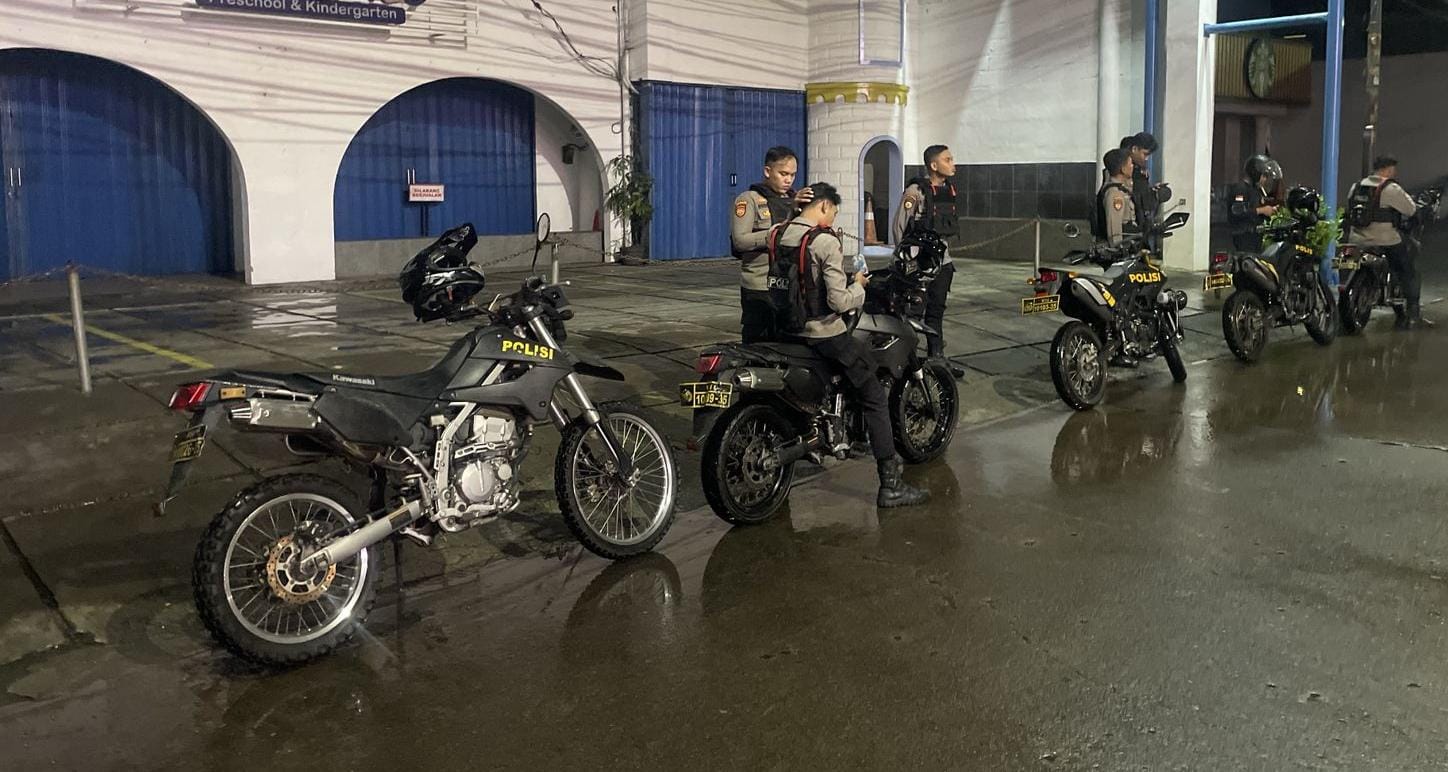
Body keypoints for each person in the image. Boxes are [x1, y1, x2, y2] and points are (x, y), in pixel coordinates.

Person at [779, 182, 930, 508]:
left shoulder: (780, 234)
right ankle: (890, 485)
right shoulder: (824, 241)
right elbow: (838, 301)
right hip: (823, 334)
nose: (833, 219)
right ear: (823, 206)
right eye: (833, 213)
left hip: (785, 332)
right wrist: (859, 286)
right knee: (874, 394)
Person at [892, 144, 965, 379]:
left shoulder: (948, 190)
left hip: (942, 263)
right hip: (920, 264)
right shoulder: (916, 191)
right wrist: (908, 261)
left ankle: (937, 359)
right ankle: (906, 363)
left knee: (936, 311)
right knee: (913, 313)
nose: (953, 164)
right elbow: (899, 226)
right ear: (934, 165)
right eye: (948, 159)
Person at [731, 146, 813, 343]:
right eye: (783, 174)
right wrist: (775, 234)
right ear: (768, 171)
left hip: (789, 282)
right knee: (758, 340)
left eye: (792, 175)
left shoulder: (795, 200)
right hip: (760, 285)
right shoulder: (749, 199)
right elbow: (740, 241)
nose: (788, 180)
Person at [1346, 155, 1426, 328]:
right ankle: (1413, 314)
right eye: (1393, 170)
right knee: (1409, 270)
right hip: (1385, 240)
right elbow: (1411, 209)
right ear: (1387, 170)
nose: (1394, 173)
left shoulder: (1356, 186)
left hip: (1356, 239)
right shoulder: (1390, 188)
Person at [1227, 155, 1280, 253]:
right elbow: (1237, 210)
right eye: (1263, 176)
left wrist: (1270, 210)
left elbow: (1256, 208)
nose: (1265, 179)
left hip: (1255, 237)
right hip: (1243, 237)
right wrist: (1261, 210)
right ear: (1255, 174)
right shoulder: (1241, 189)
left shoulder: (1255, 190)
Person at [1094, 148, 1136, 247]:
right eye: (1130, 163)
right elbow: (1114, 230)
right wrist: (1118, 250)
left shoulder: (1121, 189)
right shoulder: (1115, 195)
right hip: (1122, 248)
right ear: (1123, 169)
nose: (1132, 166)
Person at [1120, 132, 1160, 231]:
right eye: (1145, 154)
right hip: (1128, 225)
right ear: (1134, 149)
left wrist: (1152, 191)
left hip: (1140, 223)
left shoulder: (1139, 171)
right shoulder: (1121, 172)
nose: (1146, 159)